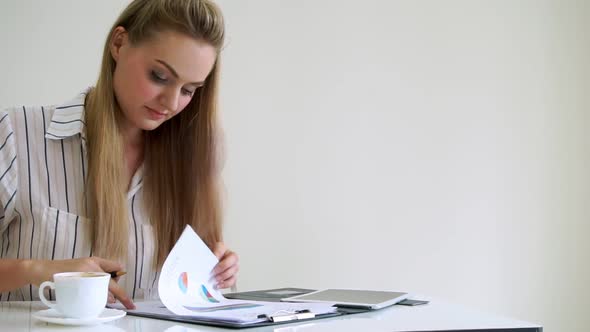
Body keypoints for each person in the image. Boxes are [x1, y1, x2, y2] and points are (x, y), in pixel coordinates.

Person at [0, 0, 238, 309]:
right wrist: (38, 270)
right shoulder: (17, 136)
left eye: (189, 90)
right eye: (159, 76)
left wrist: (217, 272)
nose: (170, 102)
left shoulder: (191, 162)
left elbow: (192, 306)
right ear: (119, 44)